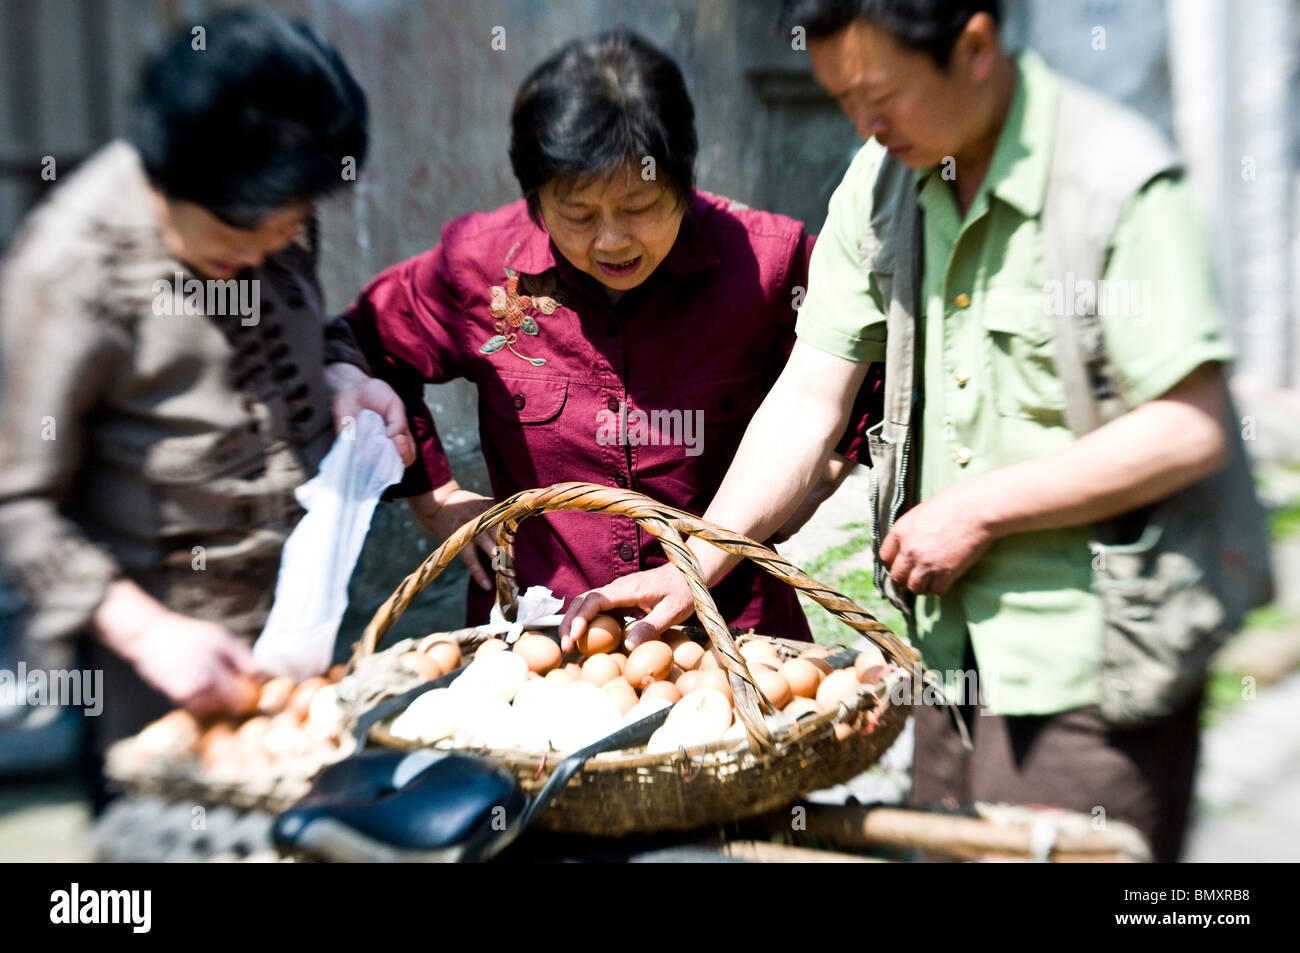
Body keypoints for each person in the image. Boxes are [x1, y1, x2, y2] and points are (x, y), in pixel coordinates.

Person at [562, 1, 1237, 862]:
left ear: (977, 49)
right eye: (842, 97)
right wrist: (695, 562)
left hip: (1096, 658)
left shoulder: (1114, 180)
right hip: (947, 654)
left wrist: (981, 507)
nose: (865, 123)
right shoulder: (883, 179)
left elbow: (1192, 425)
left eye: (881, 94)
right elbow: (811, 398)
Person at [332, 31, 881, 647]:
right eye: (579, 214)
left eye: (640, 205)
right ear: (535, 198)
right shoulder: (482, 267)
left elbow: (866, 376)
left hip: (732, 640)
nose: (612, 241)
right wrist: (436, 497)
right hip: (539, 638)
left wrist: (798, 492)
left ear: (683, 176)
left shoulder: (770, 266)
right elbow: (366, 346)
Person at [0, 8, 412, 807]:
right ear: (172, 178)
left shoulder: (271, 202)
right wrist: (147, 633)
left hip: (300, 629)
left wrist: (340, 374)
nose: (267, 253)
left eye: (289, 230)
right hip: (158, 674)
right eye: (244, 237)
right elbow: (17, 502)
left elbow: (300, 324)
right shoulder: (69, 272)